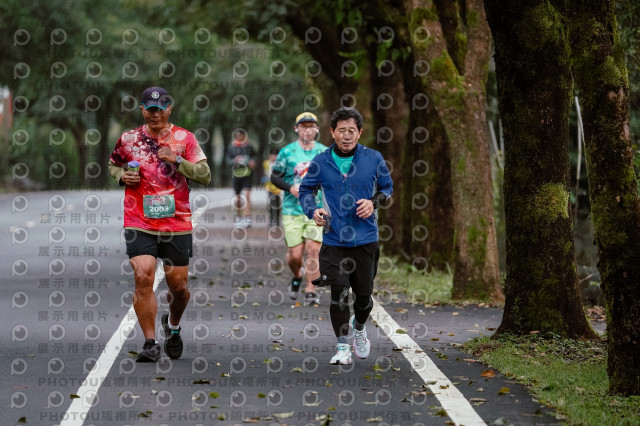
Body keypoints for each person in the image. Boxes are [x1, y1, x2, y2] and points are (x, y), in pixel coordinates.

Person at [108, 86, 211, 362]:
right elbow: (113, 164)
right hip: (138, 219)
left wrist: (177, 160)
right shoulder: (128, 139)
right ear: (143, 110)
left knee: (179, 287)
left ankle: (173, 326)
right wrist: (121, 177)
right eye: (149, 109)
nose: (155, 114)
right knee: (143, 276)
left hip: (176, 223)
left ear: (169, 108)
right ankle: (150, 343)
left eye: (160, 108)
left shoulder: (184, 138)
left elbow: (205, 174)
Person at [299, 107, 393, 365]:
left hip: (365, 240)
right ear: (332, 132)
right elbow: (306, 192)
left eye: (352, 130)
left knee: (364, 297)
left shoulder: (373, 158)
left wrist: (374, 203)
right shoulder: (320, 161)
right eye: (342, 130)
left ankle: (359, 329)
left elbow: (387, 188)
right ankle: (343, 347)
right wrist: (313, 209)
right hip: (334, 240)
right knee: (338, 293)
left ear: (360, 133)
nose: (347, 135)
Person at [271, 112, 328, 306]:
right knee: (295, 255)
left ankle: (310, 289)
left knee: (313, 250)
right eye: (303, 126)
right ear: (297, 129)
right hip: (291, 209)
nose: (307, 130)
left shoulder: (324, 152)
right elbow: (275, 177)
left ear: (317, 130)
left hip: (316, 210)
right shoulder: (287, 152)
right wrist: (290, 188)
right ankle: (297, 274)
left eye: (311, 126)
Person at [227, 129, 256, 228]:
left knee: (247, 196)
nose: (240, 137)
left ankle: (247, 219)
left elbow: (254, 158)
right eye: (238, 136)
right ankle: (239, 218)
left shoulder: (249, 147)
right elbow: (227, 160)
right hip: (236, 176)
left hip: (247, 175)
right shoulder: (231, 147)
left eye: (241, 136)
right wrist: (234, 160)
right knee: (238, 199)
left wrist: (251, 162)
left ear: (244, 136)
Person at [262, 149, 282, 227]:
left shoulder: (280, 164)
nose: (273, 157)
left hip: (279, 188)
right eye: (272, 155)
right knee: (271, 203)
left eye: (275, 155)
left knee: (278, 204)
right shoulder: (266, 163)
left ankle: (277, 220)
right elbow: (266, 173)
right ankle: (271, 219)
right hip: (270, 187)